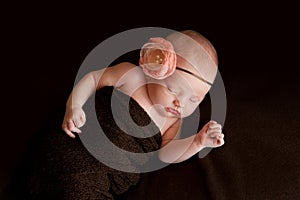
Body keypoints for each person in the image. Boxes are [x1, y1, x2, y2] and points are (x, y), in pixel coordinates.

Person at [61, 29, 225, 199]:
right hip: (78, 148)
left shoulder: (173, 122)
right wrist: (75, 105)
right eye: (172, 90)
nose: (180, 103)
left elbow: (165, 154)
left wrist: (197, 142)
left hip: (106, 179)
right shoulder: (131, 76)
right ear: (154, 68)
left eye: (194, 100)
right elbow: (93, 79)